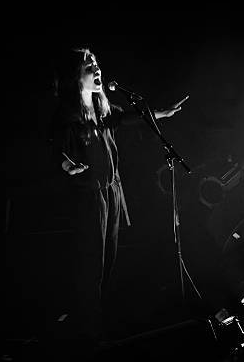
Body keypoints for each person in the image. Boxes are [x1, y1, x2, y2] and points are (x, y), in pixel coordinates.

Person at [50, 48, 188, 351]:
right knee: (91, 266)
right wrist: (66, 165)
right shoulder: (68, 112)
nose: (97, 69)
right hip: (90, 195)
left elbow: (123, 120)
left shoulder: (101, 104)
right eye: (89, 66)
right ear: (75, 77)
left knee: (109, 259)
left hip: (112, 189)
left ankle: (97, 321)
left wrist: (159, 114)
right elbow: (54, 148)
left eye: (96, 63)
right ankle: (88, 333)